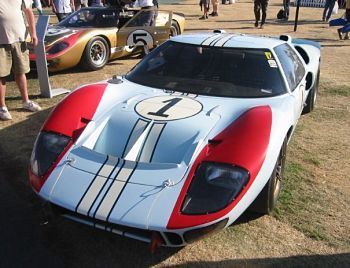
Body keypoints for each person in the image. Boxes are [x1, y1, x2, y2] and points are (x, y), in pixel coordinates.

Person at [0, 0, 41, 121]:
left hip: (19, 38)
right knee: (1, 75)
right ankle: (2, 107)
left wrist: (33, 33)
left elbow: (29, 12)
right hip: (1, 41)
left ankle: (26, 101)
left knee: (21, 71)